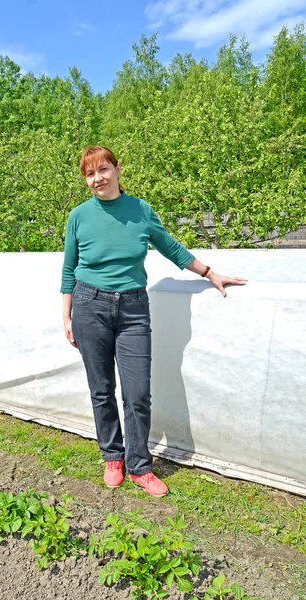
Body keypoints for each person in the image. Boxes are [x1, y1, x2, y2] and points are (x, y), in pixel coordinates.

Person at [60, 145, 247, 497]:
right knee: (101, 390)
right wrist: (67, 315)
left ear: (117, 169)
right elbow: (69, 269)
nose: (97, 179)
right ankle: (112, 456)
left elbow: (171, 247)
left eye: (103, 170)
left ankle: (140, 466)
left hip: (133, 309)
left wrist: (210, 273)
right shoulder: (79, 216)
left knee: (138, 393)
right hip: (89, 305)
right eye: (89, 174)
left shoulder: (140, 210)